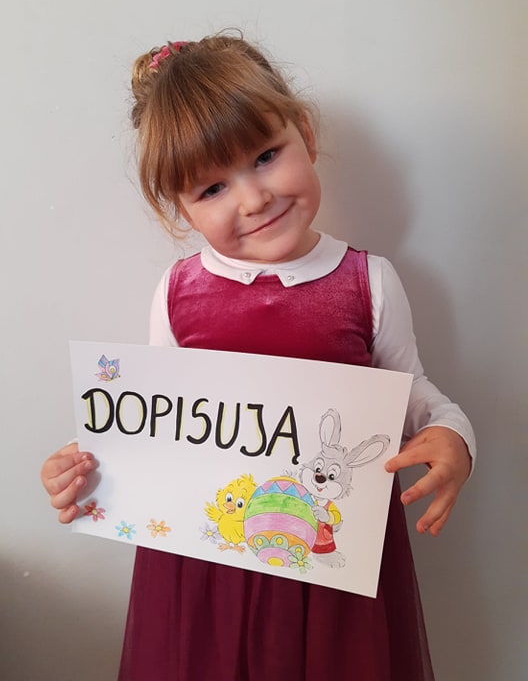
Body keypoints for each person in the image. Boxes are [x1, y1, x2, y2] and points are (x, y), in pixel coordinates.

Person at [41, 33, 475, 681]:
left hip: (330, 571)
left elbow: (413, 395)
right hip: (205, 575)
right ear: (180, 209)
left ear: (304, 132)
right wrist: (89, 463)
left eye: (266, 156)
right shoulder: (178, 292)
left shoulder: (368, 283)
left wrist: (452, 435)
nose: (253, 199)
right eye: (212, 188)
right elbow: (158, 423)